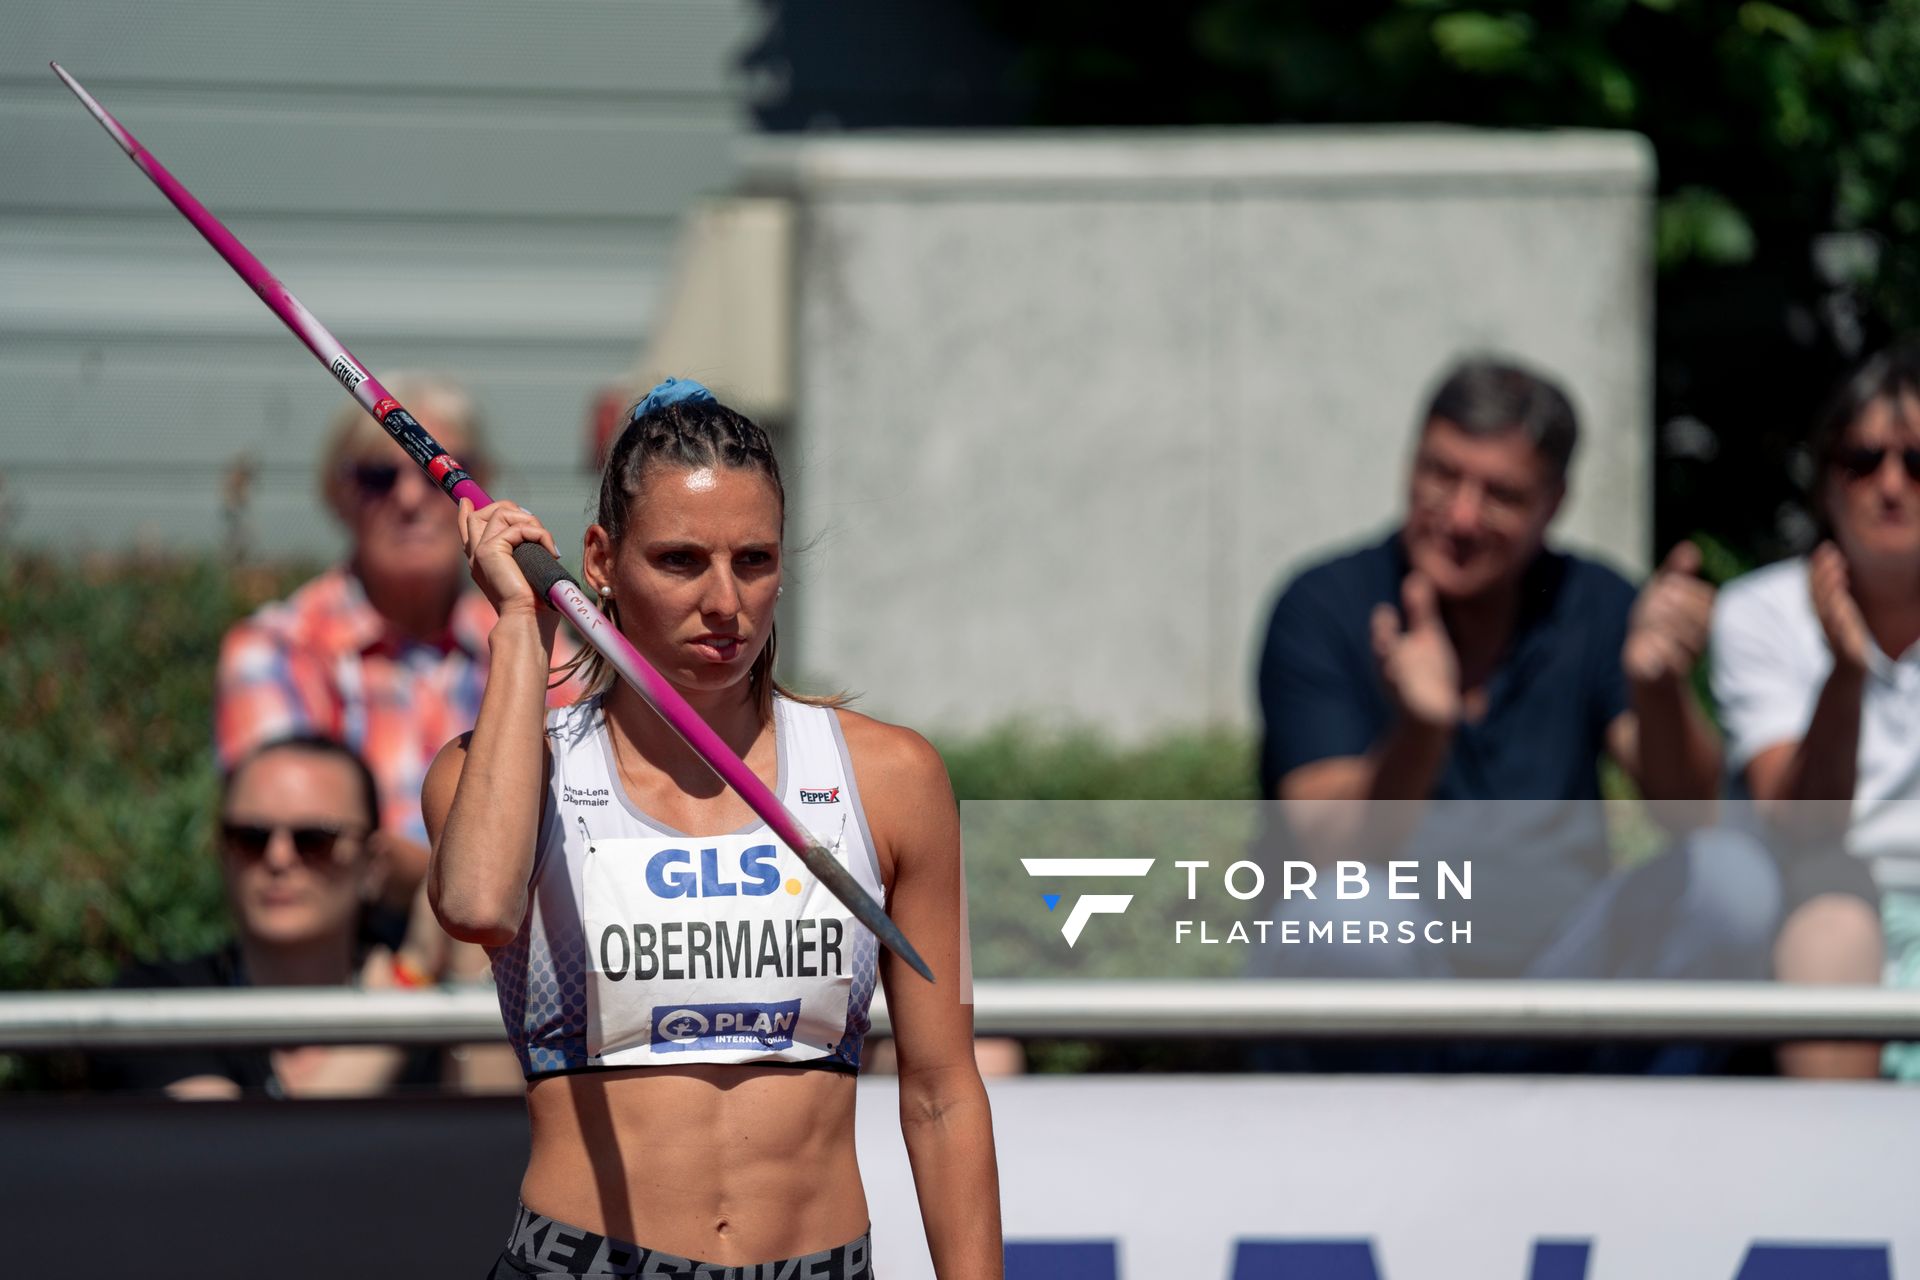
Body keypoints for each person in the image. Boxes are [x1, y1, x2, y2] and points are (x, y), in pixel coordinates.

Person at [424, 379, 1001, 1277]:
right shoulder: (508, 773)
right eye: (681, 561)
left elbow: (941, 1091)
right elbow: (476, 905)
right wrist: (517, 627)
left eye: (755, 560)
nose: (725, 601)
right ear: (602, 561)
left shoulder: (892, 779)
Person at [1251, 356, 1780, 1069]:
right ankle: (1387, 1165)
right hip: (1381, 1003)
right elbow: (1329, 848)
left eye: (1500, 494)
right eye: (1442, 475)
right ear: (1412, 460)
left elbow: (1692, 815)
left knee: (1731, 879)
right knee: (1351, 915)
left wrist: (1657, 689)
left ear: (1554, 502)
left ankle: (1648, 1155)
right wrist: (1421, 728)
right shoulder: (1323, 605)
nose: (1461, 518)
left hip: (1560, 982)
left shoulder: (1593, 603)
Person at [215, 373, 574, 919]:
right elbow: (298, 847)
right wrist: (464, 869)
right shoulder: (274, 650)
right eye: (379, 477)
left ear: (485, 489)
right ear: (339, 496)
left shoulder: (548, 646)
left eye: (440, 478)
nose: (409, 498)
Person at [1711, 340, 1920, 1080]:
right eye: (1862, 461)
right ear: (1825, 483)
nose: (1891, 486)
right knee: (1834, 924)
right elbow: (1801, 827)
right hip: (1824, 892)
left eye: (1916, 463)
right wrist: (1844, 674)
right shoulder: (1759, 612)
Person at [96, 735, 440, 1098]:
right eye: (251, 838)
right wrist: (409, 981)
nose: (278, 858)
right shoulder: (158, 1004)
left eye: (314, 840)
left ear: (373, 866)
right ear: (222, 852)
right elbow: (237, 1151)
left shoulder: (444, 1004)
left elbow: (500, 1134)